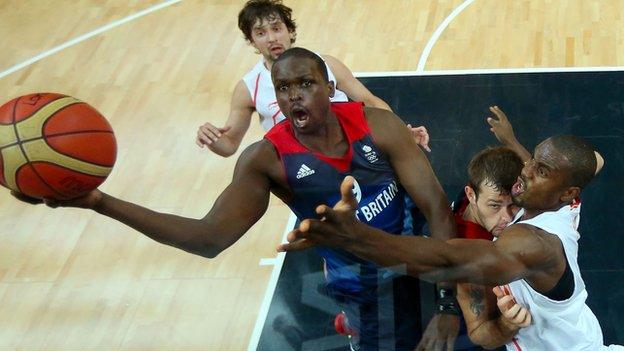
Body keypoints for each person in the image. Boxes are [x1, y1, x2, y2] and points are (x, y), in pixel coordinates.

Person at [13, 48, 455, 351]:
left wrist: (447, 302)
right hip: (364, 286)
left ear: (329, 85)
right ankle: (355, 326)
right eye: (284, 88)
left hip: (418, 257)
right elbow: (209, 238)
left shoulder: (378, 125)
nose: (294, 95)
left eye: (306, 83)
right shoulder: (267, 159)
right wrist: (99, 203)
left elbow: (436, 206)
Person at [279, 134, 623, 350]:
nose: (526, 172)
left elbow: (446, 260)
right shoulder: (567, 202)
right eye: (531, 160)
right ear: (471, 196)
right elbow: (594, 160)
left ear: (568, 194)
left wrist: (354, 235)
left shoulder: (534, 243)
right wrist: (514, 142)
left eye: (542, 171)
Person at [195, 0, 430, 157]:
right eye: (260, 33)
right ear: (252, 40)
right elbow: (229, 145)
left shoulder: (326, 64)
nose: (271, 38)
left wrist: (401, 132)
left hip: (353, 150)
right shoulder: (248, 88)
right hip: (307, 169)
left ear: (289, 30)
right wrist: (211, 138)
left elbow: (370, 101)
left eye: (277, 28)